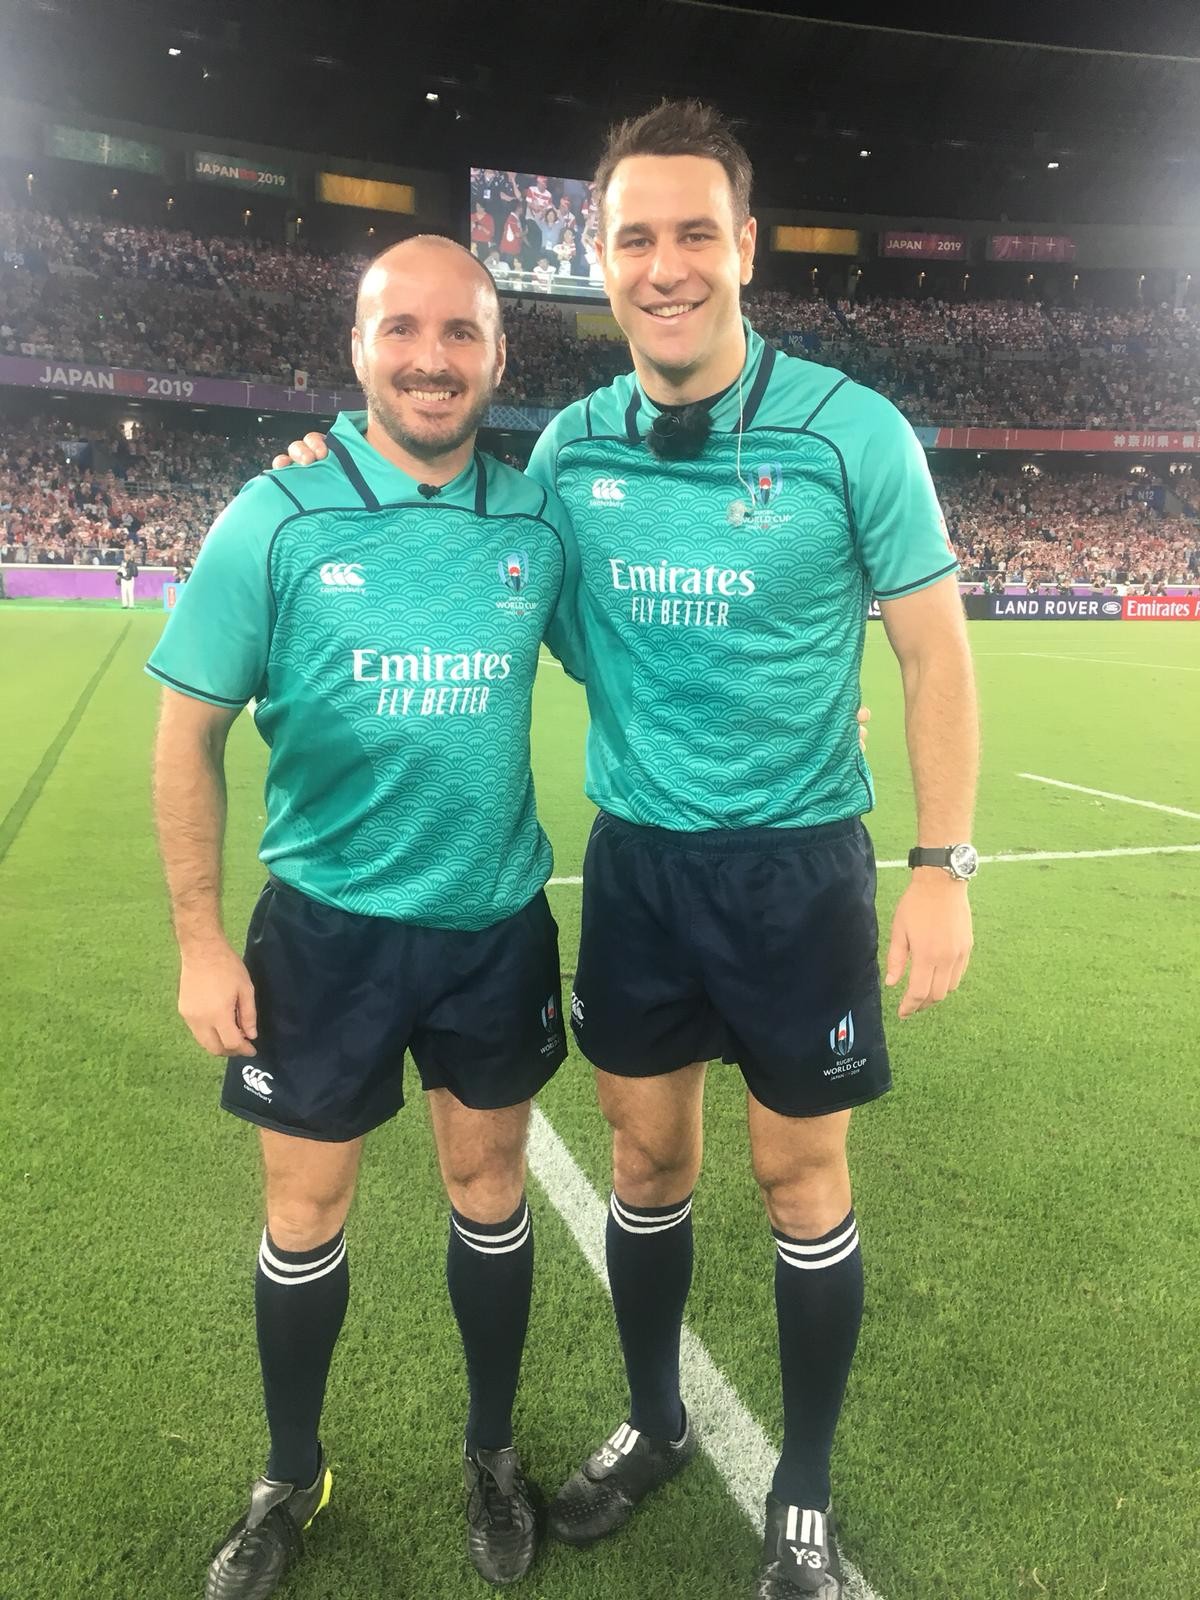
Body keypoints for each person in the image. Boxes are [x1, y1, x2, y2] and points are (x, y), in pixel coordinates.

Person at [274, 101, 968, 1599]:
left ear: (745, 247)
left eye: (693, 233)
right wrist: (328, 451)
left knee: (800, 1177)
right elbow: (458, 533)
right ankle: (656, 1422)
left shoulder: (856, 433)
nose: (666, 265)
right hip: (642, 868)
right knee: (647, 1160)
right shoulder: (573, 451)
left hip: (801, 874)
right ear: (596, 259)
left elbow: (934, 655)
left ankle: (801, 1488)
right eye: (634, 237)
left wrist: (941, 865)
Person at [148, 236, 586, 1600]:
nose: (431, 357)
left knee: (488, 1190)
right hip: (322, 934)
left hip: (492, 922)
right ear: (358, 348)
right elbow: (187, 735)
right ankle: (288, 1475)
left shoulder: (533, 527)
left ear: (497, 354)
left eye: (461, 332)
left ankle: (493, 1453)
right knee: (304, 1209)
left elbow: (643, 662)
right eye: (403, 328)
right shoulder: (273, 519)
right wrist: (202, 938)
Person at [117, 540, 138, 607]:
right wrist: (119, 576)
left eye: (127, 555)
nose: (126, 556)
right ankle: (124, 604)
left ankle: (131, 605)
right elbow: (120, 570)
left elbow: (134, 571)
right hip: (123, 578)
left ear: (129, 556)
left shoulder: (132, 562)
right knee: (123, 592)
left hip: (130, 578)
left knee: (130, 592)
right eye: (125, 555)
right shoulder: (122, 562)